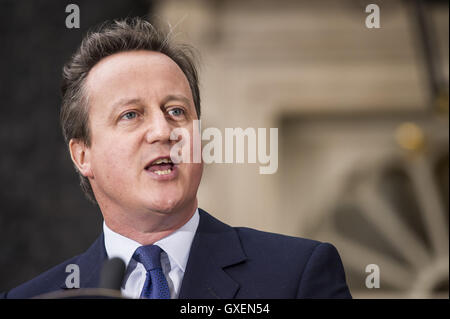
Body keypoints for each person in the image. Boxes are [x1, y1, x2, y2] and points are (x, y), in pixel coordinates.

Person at [1, 18, 351, 299]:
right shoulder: (35, 296)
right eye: (131, 115)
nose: (163, 131)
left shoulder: (297, 274)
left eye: (176, 111)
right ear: (82, 155)